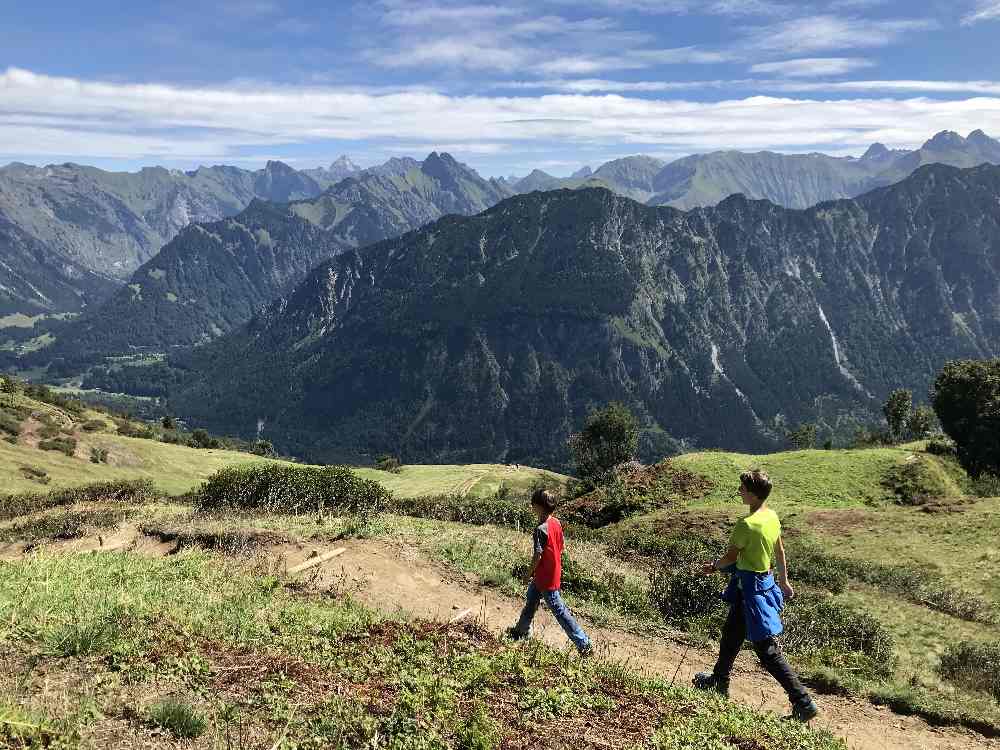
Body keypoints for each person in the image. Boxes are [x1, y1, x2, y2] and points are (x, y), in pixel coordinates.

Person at [693, 469, 819, 722]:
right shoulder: (771, 517)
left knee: (767, 650)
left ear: (752, 495)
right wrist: (784, 581)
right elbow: (780, 551)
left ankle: (803, 703)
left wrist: (713, 567)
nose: (739, 491)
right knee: (731, 634)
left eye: (742, 488)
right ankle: (719, 679)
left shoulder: (746, 525)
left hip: (750, 591)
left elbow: (730, 557)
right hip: (761, 585)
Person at [507, 489, 593, 656]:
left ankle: (584, 644)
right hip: (548, 574)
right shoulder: (556, 523)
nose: (531, 507)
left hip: (545, 579)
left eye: (533, 504)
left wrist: (528, 573)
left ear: (539, 506)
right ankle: (521, 631)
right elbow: (561, 547)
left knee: (560, 612)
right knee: (531, 602)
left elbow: (537, 555)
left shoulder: (540, 529)